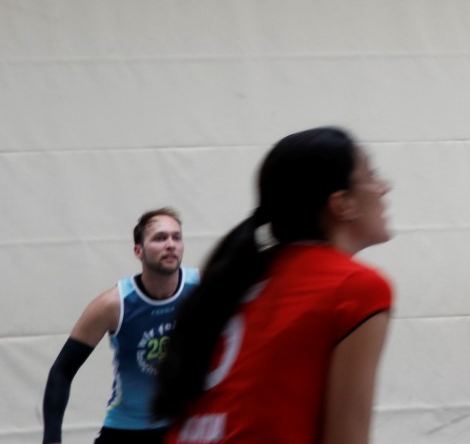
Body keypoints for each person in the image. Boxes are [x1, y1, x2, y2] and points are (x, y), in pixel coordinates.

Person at [154, 127, 392, 444]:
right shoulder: (356, 286)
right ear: (342, 203)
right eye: (372, 176)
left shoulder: (244, 273)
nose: (384, 187)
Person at [42, 208, 198, 444]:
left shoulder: (201, 288)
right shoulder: (113, 304)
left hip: (183, 424)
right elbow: (61, 372)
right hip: (127, 430)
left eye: (176, 237)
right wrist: (51, 439)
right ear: (138, 251)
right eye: (160, 238)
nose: (170, 245)